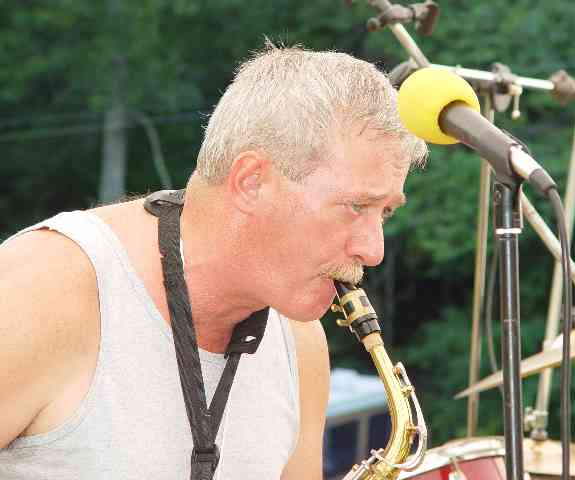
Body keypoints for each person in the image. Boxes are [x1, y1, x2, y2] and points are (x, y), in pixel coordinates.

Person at [0, 43, 427, 479]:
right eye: (356, 206)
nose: (373, 251)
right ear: (251, 181)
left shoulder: (300, 344)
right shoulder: (42, 288)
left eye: (385, 212)